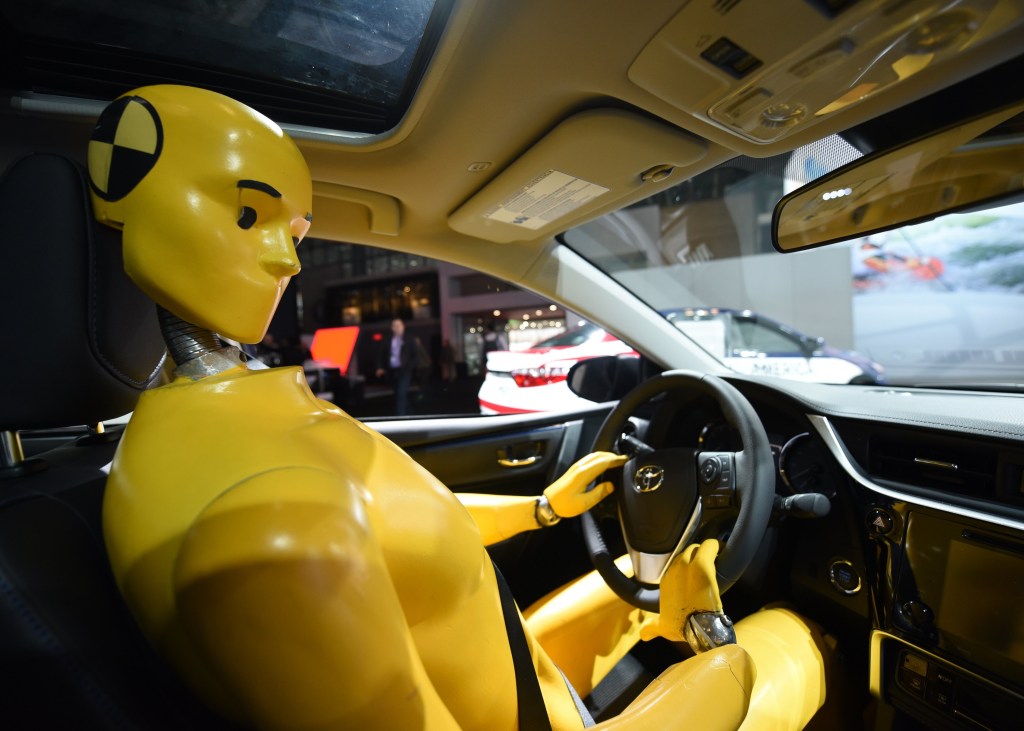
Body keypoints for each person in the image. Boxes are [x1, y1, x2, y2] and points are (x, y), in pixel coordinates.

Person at [96, 85, 823, 731]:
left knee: (639, 591)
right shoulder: (267, 532)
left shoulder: (194, 447)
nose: (289, 263)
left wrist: (544, 508)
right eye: (249, 212)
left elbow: (400, 527)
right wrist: (715, 640)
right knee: (791, 640)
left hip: (518, 680)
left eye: (296, 234)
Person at [374, 317, 419, 415]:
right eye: (395, 326)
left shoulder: (409, 339)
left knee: (401, 394)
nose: (397, 327)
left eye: (399, 325)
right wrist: (379, 367)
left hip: (405, 371)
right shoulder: (387, 340)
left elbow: (416, 356)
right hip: (392, 371)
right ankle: (411, 414)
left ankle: (401, 418)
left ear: (403, 326)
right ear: (392, 328)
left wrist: (409, 368)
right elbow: (381, 354)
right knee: (399, 394)